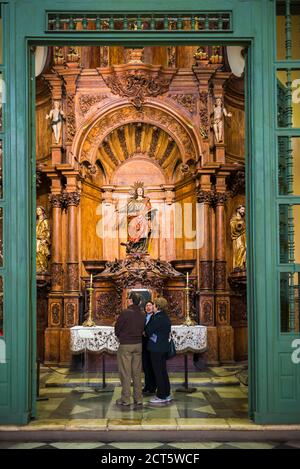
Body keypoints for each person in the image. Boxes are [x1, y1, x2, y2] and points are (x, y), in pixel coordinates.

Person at [115, 291, 145, 408]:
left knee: (125, 373)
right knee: (137, 373)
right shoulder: (143, 313)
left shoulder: (125, 313)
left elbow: (117, 328)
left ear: (131, 300)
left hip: (126, 345)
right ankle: (139, 398)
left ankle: (126, 399)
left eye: (129, 299)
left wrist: (120, 335)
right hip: (138, 344)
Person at [145, 297, 173, 405]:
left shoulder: (158, 317)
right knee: (163, 371)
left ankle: (161, 395)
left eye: (154, 305)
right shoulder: (165, 317)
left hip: (156, 349)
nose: (152, 307)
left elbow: (148, 330)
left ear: (157, 306)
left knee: (158, 372)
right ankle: (167, 393)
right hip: (162, 348)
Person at [142, 301, 157, 395]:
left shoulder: (155, 317)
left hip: (152, 344)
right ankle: (147, 386)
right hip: (143, 344)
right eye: (146, 306)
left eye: (150, 305)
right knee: (146, 366)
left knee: (152, 366)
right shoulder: (143, 317)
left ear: (153, 307)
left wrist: (146, 333)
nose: (148, 307)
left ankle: (153, 386)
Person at [230, 205, 246, 270]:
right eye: (242, 209)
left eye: (244, 210)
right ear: (238, 210)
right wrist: (238, 225)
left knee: (245, 249)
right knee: (241, 248)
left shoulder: (243, 219)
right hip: (238, 237)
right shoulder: (234, 219)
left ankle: (243, 264)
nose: (243, 211)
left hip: (244, 236)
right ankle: (238, 265)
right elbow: (233, 228)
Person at [36, 206, 51, 273]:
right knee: (35, 253)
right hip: (36, 239)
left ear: (42, 211)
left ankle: (43, 268)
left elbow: (47, 231)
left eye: (39, 210)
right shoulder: (36, 221)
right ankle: (37, 268)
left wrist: (45, 239)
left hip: (42, 240)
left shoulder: (45, 221)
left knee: (40, 252)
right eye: (37, 210)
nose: (37, 212)